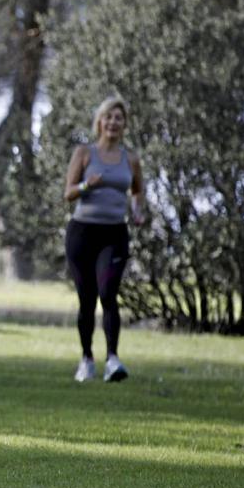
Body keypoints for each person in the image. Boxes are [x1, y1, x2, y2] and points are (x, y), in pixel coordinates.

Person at [63, 96, 145, 383]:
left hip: (114, 234)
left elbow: (137, 191)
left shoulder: (130, 159)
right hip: (82, 233)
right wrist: (88, 184)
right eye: (108, 117)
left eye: (118, 118)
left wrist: (137, 211)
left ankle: (113, 360)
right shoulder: (85, 153)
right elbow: (68, 193)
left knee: (108, 294)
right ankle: (86, 359)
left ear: (124, 125)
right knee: (87, 299)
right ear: (100, 122)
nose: (113, 122)